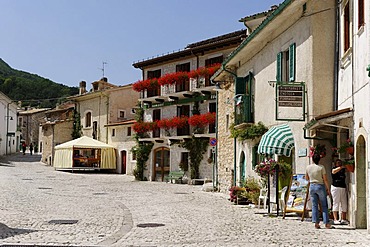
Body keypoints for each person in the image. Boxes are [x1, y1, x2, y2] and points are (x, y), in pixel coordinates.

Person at [306, 152, 332, 229]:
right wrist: (328, 188)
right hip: (320, 185)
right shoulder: (321, 167)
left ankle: (316, 223)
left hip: (312, 186)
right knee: (324, 205)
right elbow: (325, 179)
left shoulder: (308, 167)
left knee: (314, 205)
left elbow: (306, 178)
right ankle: (326, 223)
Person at [331, 159, 349, 225]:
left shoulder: (342, 170)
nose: (339, 163)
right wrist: (341, 167)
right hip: (335, 187)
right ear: (335, 164)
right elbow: (333, 172)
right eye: (338, 163)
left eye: (340, 163)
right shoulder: (334, 169)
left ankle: (343, 219)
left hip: (342, 187)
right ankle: (335, 219)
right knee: (336, 202)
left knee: (344, 203)